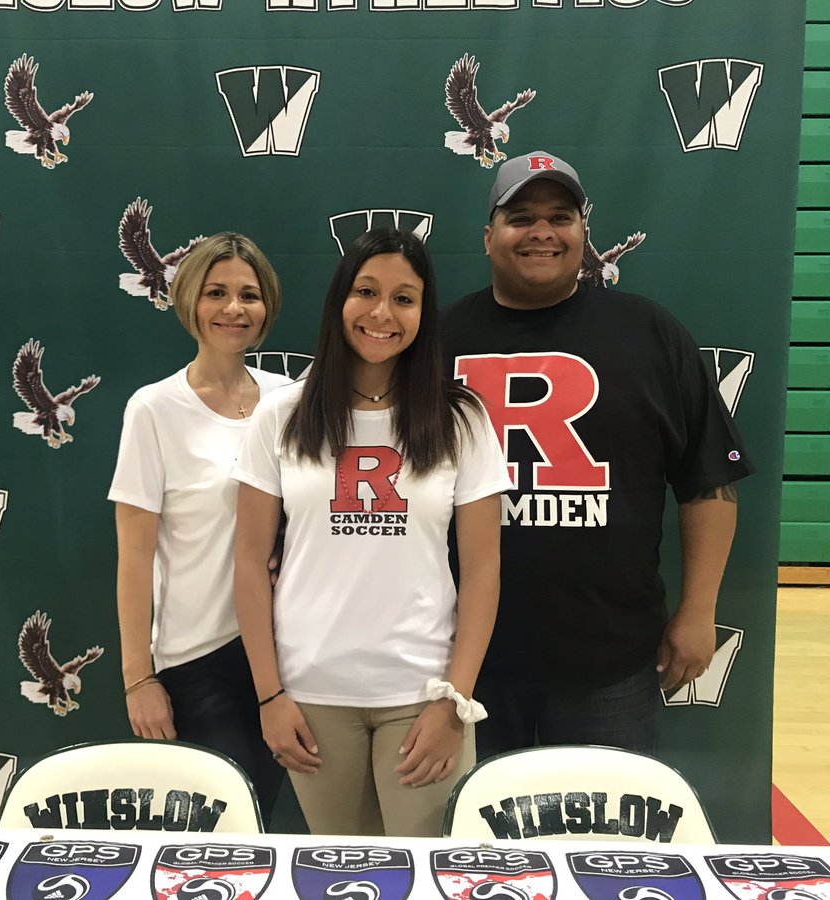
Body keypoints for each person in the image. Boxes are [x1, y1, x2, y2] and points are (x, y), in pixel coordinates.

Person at [441, 150, 754, 758]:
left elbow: (708, 481)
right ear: (487, 236)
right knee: (472, 849)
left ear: (585, 232)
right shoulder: (438, 340)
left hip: (609, 661)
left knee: (599, 843)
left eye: (561, 216)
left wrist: (698, 609)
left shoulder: (650, 332)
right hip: (460, 658)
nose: (541, 232)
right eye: (519, 217)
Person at [232, 228, 510, 837]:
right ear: (339, 302)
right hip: (310, 697)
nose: (383, 313)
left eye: (404, 298)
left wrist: (454, 700)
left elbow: (484, 570)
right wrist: (270, 697)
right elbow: (249, 563)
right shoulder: (282, 415)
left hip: (422, 694)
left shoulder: (460, 417)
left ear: (423, 313)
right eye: (366, 291)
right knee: (341, 876)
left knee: (420, 875)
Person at [108, 232, 287, 825]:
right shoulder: (154, 410)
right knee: (225, 832)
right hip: (198, 659)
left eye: (248, 294)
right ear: (189, 302)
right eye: (216, 293)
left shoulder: (293, 401)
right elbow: (133, 555)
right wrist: (139, 678)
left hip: (289, 652)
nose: (234, 309)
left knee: (273, 825)